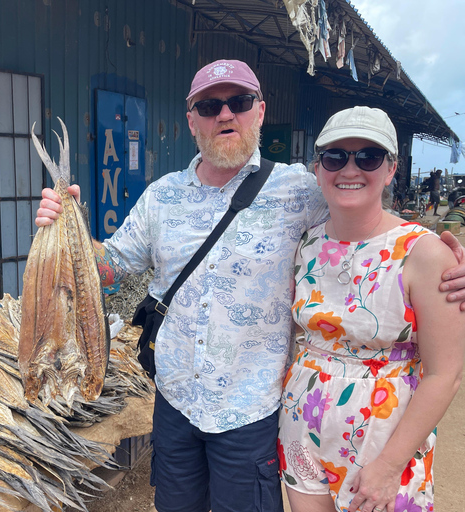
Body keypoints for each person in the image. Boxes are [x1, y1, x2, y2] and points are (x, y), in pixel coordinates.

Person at [34, 60, 465, 512]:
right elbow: (112, 269)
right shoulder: (162, 196)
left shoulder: (301, 190)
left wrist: (438, 256)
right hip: (175, 399)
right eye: (209, 106)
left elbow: (365, 217)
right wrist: (69, 235)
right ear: (191, 120)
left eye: (238, 102)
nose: (225, 115)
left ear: (259, 112)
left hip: (251, 409)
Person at [278, 106, 465, 512]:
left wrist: (388, 464)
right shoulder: (305, 244)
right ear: (317, 167)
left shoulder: (424, 253)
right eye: (335, 156)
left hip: (382, 438)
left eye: (368, 156)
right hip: (300, 428)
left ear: (391, 168)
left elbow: (444, 373)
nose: (350, 169)